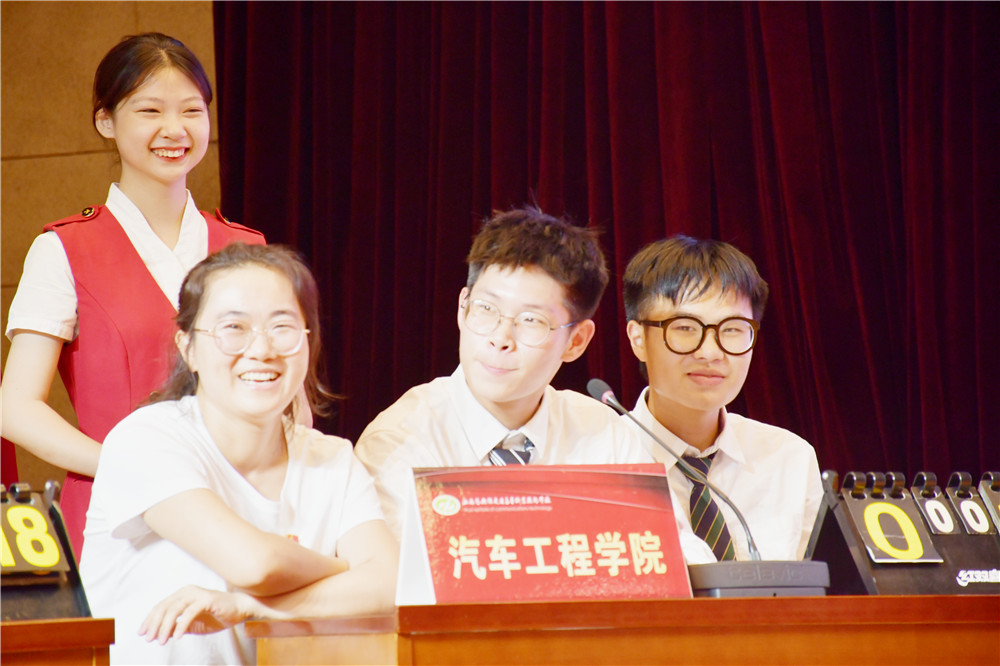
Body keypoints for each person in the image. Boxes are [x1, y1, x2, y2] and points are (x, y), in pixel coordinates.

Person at [0, 33, 264, 557]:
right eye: (150, 110)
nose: (175, 129)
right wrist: (127, 466)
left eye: (192, 110)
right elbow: (16, 407)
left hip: (237, 509)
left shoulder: (247, 248)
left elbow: (286, 398)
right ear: (106, 120)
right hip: (116, 518)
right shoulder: (64, 250)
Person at [79, 243, 398, 665]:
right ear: (189, 347)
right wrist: (346, 570)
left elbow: (390, 585)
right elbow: (256, 565)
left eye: (282, 327)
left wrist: (252, 608)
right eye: (234, 327)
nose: (262, 349)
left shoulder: (333, 460)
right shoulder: (145, 440)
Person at [355, 206, 652, 539]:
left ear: (576, 341)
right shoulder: (398, 442)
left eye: (531, 320)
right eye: (486, 308)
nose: (500, 338)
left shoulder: (605, 436)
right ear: (462, 308)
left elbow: (665, 553)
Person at [622, 235, 822, 563]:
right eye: (685, 328)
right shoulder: (601, 457)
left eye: (731, 329)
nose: (711, 352)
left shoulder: (788, 458)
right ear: (638, 339)